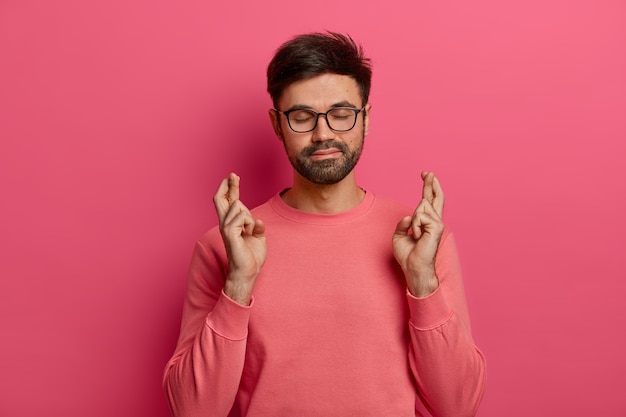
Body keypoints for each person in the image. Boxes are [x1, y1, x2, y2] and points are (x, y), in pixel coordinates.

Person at [163, 32, 486, 417]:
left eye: (341, 113)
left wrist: (422, 282)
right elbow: (192, 410)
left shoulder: (421, 241)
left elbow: (459, 406)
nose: (324, 134)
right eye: (302, 117)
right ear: (277, 124)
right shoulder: (225, 246)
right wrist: (238, 284)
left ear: (365, 119)